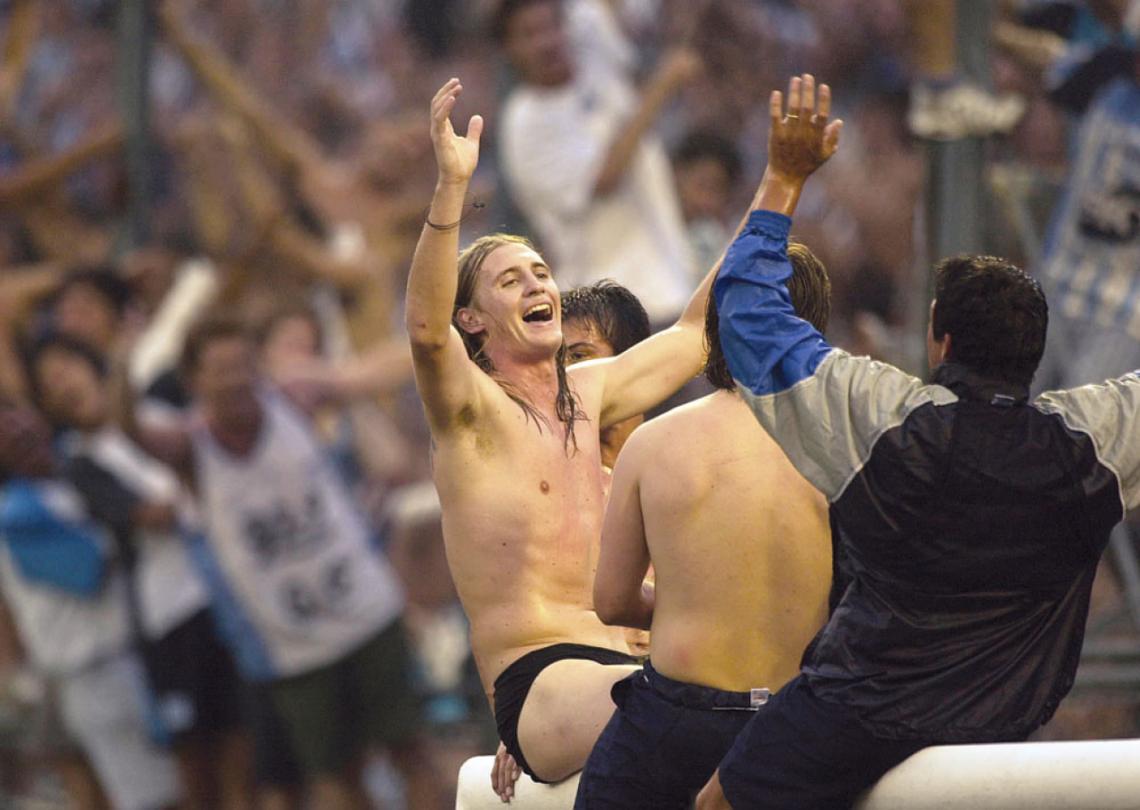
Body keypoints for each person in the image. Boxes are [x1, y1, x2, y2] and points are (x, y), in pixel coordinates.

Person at [697, 75, 1140, 810]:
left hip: (854, 712)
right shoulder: (1089, 442)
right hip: (1006, 724)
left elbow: (749, 318)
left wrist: (784, 177)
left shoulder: (884, 420)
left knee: (720, 801)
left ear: (939, 337)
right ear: (1034, 350)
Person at [407, 75, 764, 788]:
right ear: (472, 319)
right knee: (708, 715)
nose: (537, 286)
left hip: (643, 677)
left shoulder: (595, 399)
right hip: (543, 678)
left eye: (541, 274)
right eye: (510, 281)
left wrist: (781, 182)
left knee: (761, 711)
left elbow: (697, 331)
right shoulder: (472, 415)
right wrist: (452, 189)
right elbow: (424, 330)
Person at [120, 315, 438, 810]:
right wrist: (122, 364)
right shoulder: (189, 446)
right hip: (294, 648)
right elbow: (131, 433)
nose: (236, 378)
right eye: (220, 369)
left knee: (413, 750)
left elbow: (397, 362)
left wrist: (328, 371)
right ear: (194, 381)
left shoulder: (293, 397)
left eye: (244, 364)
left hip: (368, 613)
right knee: (336, 775)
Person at [577, 242, 833, 809]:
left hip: (675, 720)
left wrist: (692, 605)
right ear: (811, 331)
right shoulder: (846, 447)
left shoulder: (654, 442)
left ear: (719, 326)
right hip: (794, 724)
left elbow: (613, 601)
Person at [26, 333, 253, 810]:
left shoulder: (159, 418)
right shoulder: (81, 464)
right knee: (195, 757)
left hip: (223, 597)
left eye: (68, 366)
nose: (65, 382)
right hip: (167, 619)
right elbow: (153, 513)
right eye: (51, 383)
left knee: (241, 740)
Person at [0, 403, 181, 810]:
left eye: (16, 416)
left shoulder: (69, 476)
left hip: (137, 655)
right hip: (97, 673)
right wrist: (130, 510)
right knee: (156, 799)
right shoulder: (16, 514)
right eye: (5, 433)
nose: (15, 429)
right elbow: (92, 567)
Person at [495, 0, 699, 324]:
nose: (547, 41)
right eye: (529, 34)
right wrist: (662, 86)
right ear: (507, 49)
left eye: (552, 27)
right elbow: (603, 180)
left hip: (669, 287)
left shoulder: (594, 61)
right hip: (607, 310)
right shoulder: (524, 124)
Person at [560, 280, 651, 470]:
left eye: (578, 356)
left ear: (630, 360)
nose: (563, 371)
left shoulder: (678, 461)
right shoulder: (545, 476)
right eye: (555, 360)